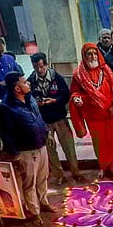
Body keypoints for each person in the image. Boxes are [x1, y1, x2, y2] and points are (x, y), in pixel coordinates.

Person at [0, 71, 55, 224]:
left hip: (40, 145)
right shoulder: (5, 108)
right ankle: (34, 212)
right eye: (24, 82)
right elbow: (5, 133)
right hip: (26, 151)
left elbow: (38, 117)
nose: (28, 84)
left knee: (43, 177)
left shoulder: (29, 99)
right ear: (17, 88)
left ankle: (43, 202)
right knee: (29, 183)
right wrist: (15, 154)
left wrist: (46, 133)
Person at [29, 53, 85, 185]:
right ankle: (59, 175)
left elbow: (66, 95)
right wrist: (37, 103)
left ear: (46, 65)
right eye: (36, 67)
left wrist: (55, 100)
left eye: (42, 67)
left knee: (69, 147)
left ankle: (75, 172)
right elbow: (29, 99)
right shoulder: (31, 80)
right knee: (50, 150)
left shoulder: (56, 78)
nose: (39, 70)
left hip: (59, 117)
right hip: (44, 121)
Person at [71, 43, 113, 178]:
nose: (92, 56)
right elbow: (74, 93)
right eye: (89, 54)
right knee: (99, 144)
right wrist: (77, 98)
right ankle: (103, 167)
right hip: (93, 116)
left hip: (110, 114)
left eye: (94, 53)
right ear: (84, 56)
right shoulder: (79, 75)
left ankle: (112, 166)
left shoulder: (106, 71)